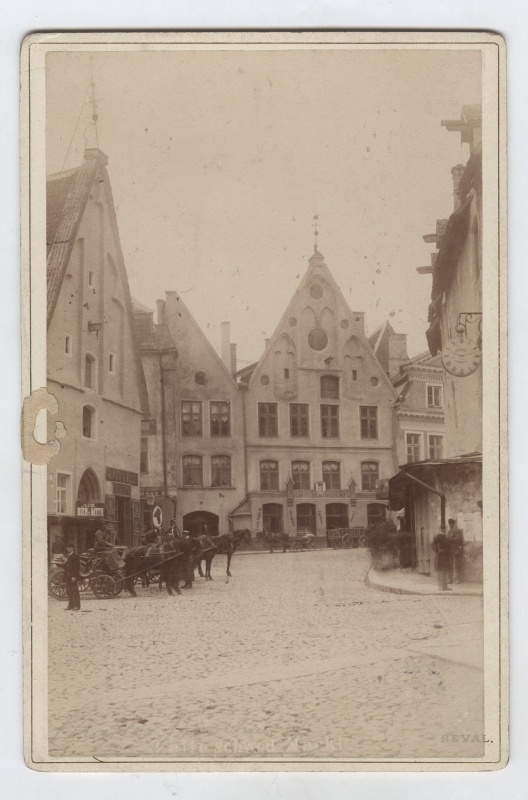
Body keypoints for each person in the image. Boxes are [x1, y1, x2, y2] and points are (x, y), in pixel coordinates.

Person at [446, 518, 465, 584]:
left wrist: (450, 538)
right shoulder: (449, 531)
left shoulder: (458, 531)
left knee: (457, 565)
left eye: (451, 524)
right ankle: (450, 579)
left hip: (457, 550)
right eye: (449, 524)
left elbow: (459, 539)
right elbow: (447, 539)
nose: (450, 525)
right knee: (450, 565)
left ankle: (458, 579)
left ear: (454, 524)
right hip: (450, 550)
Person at [64, 543, 81, 611]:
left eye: (70, 547)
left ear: (73, 548)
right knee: (69, 591)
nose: (68, 549)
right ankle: (70, 605)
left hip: (73, 576)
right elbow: (65, 567)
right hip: (67, 576)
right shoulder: (67, 556)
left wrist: (74, 576)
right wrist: (64, 562)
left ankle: (77, 606)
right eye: (68, 547)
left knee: (75, 591)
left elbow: (76, 567)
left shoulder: (75, 556)